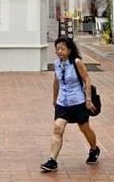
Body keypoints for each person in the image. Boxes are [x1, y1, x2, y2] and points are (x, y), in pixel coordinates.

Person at [40, 37, 100, 173]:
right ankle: (52, 161)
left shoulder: (76, 62)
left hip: (78, 102)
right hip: (63, 103)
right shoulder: (57, 63)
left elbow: (87, 79)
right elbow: (56, 82)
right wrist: (54, 99)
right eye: (57, 49)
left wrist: (88, 99)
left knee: (85, 129)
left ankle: (94, 149)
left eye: (62, 49)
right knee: (57, 128)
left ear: (69, 50)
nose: (59, 52)